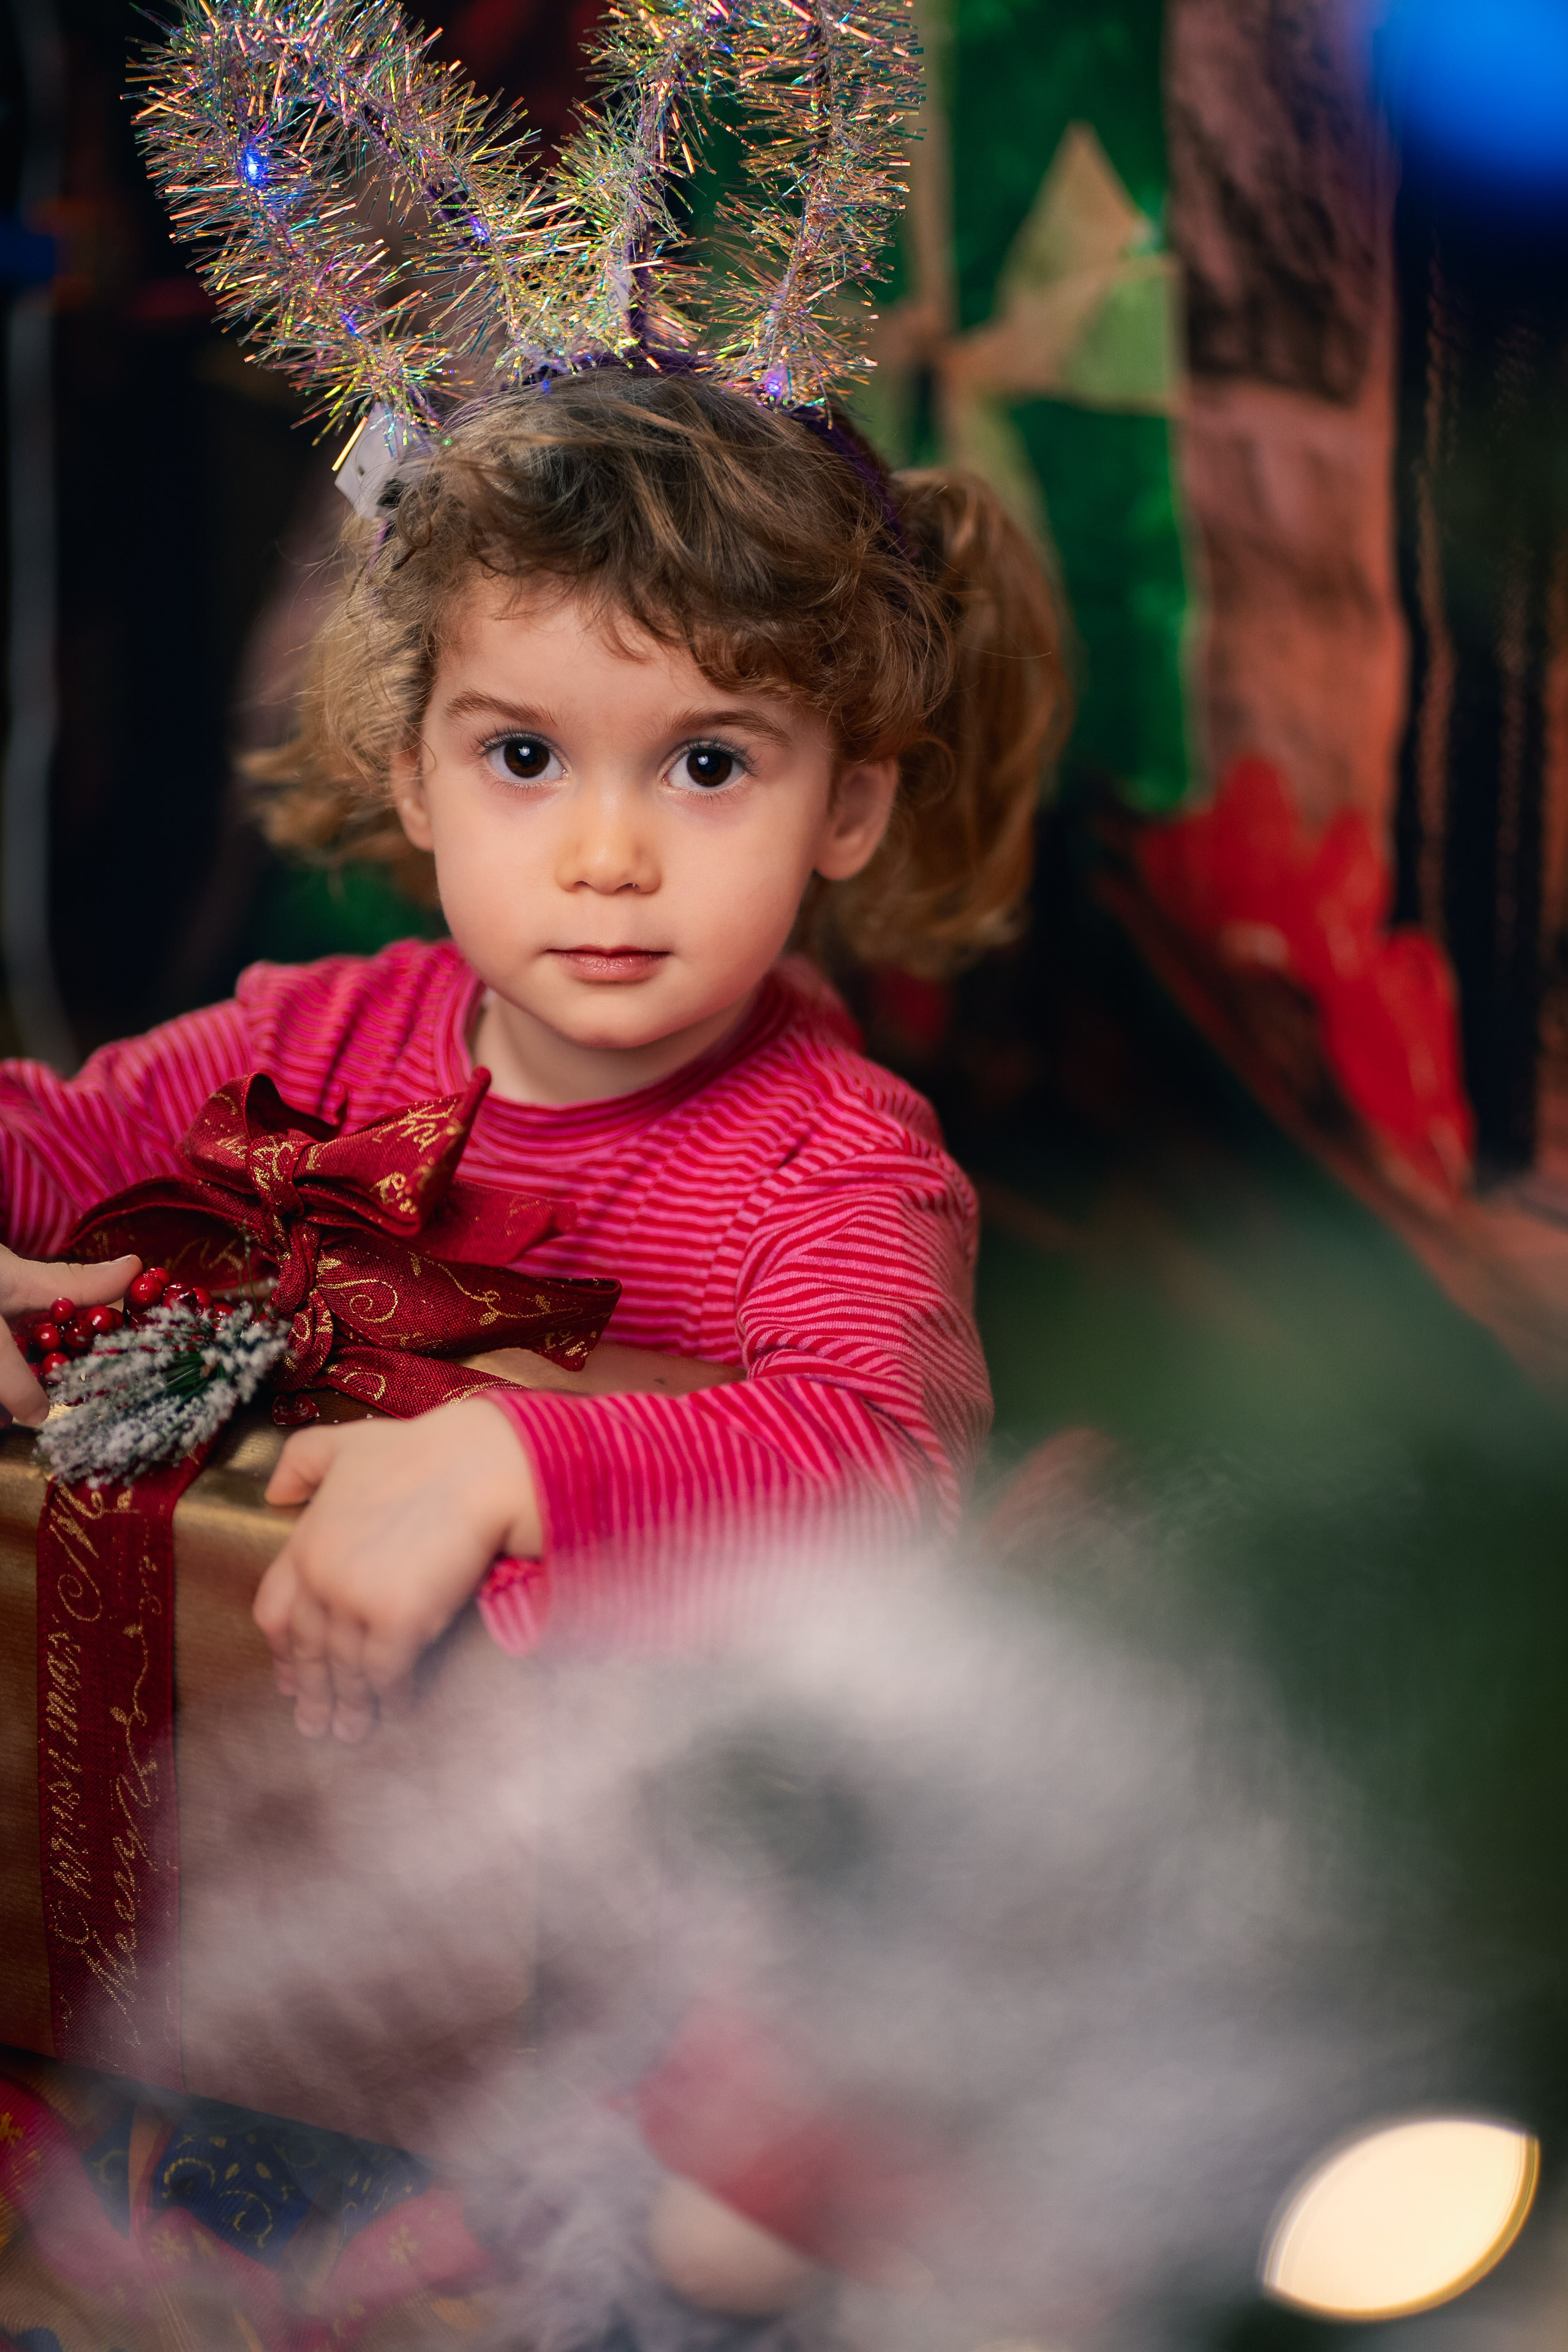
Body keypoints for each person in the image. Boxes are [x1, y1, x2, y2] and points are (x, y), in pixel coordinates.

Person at [0, 364, 1066, 2320]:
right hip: (275, 1871)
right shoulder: (314, 1043)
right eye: (525, 758)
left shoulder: (839, 1167)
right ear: (411, 769)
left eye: (709, 766)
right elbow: (49, 1148)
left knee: (680, 2228)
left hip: (633, 1926)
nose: (606, 856)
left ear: (854, 801)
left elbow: (880, 1458)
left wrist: (511, 1453)